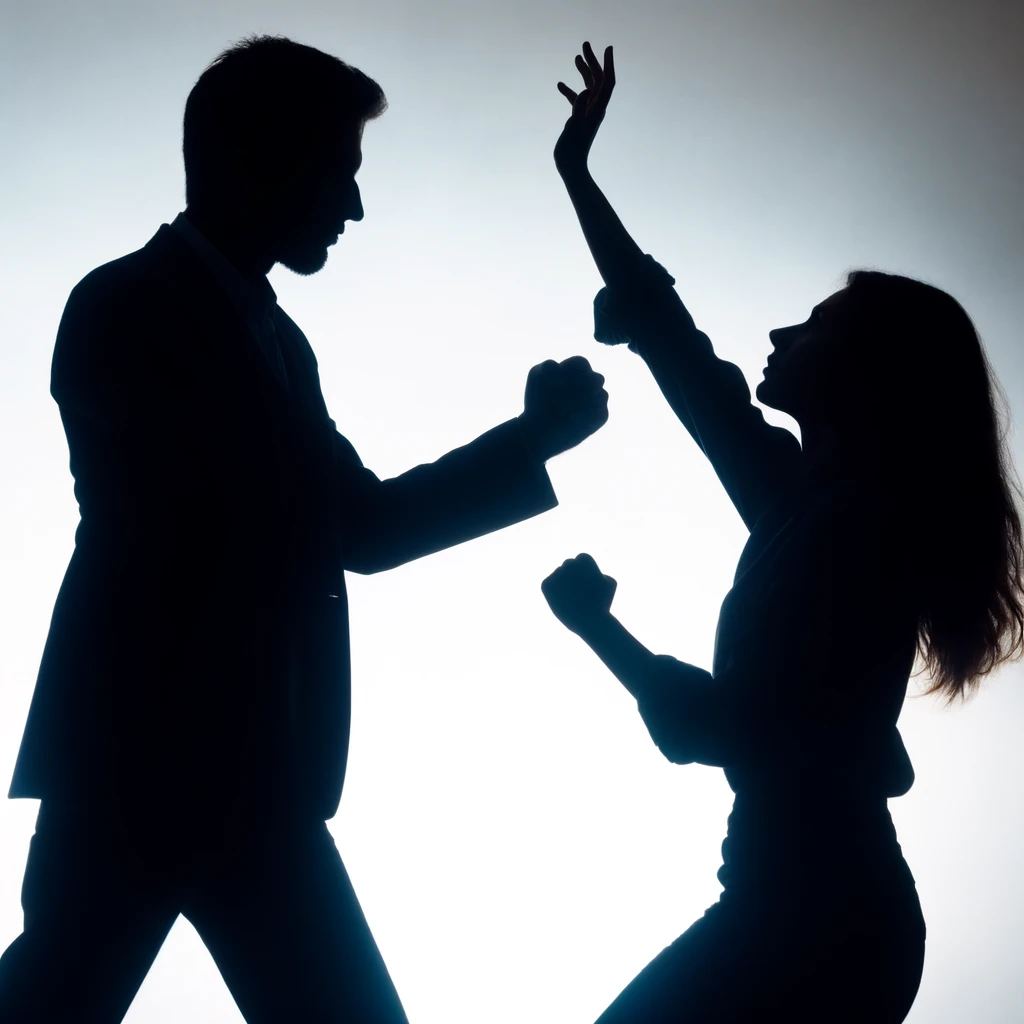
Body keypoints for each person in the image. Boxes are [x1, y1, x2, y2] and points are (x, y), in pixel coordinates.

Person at [0, 36, 609, 1023]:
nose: (354, 207)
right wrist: (525, 443)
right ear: (256, 157)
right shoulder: (127, 304)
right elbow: (272, 518)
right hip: (149, 765)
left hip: (233, 776)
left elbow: (354, 528)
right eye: (340, 171)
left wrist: (529, 440)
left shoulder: (273, 338)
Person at [541, 42, 1024, 1023]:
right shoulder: (802, 500)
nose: (775, 336)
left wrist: (602, 630)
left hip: (814, 922)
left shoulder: (852, 531)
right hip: (810, 912)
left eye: (811, 324)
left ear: (867, 372)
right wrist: (576, 175)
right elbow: (675, 345)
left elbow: (731, 728)